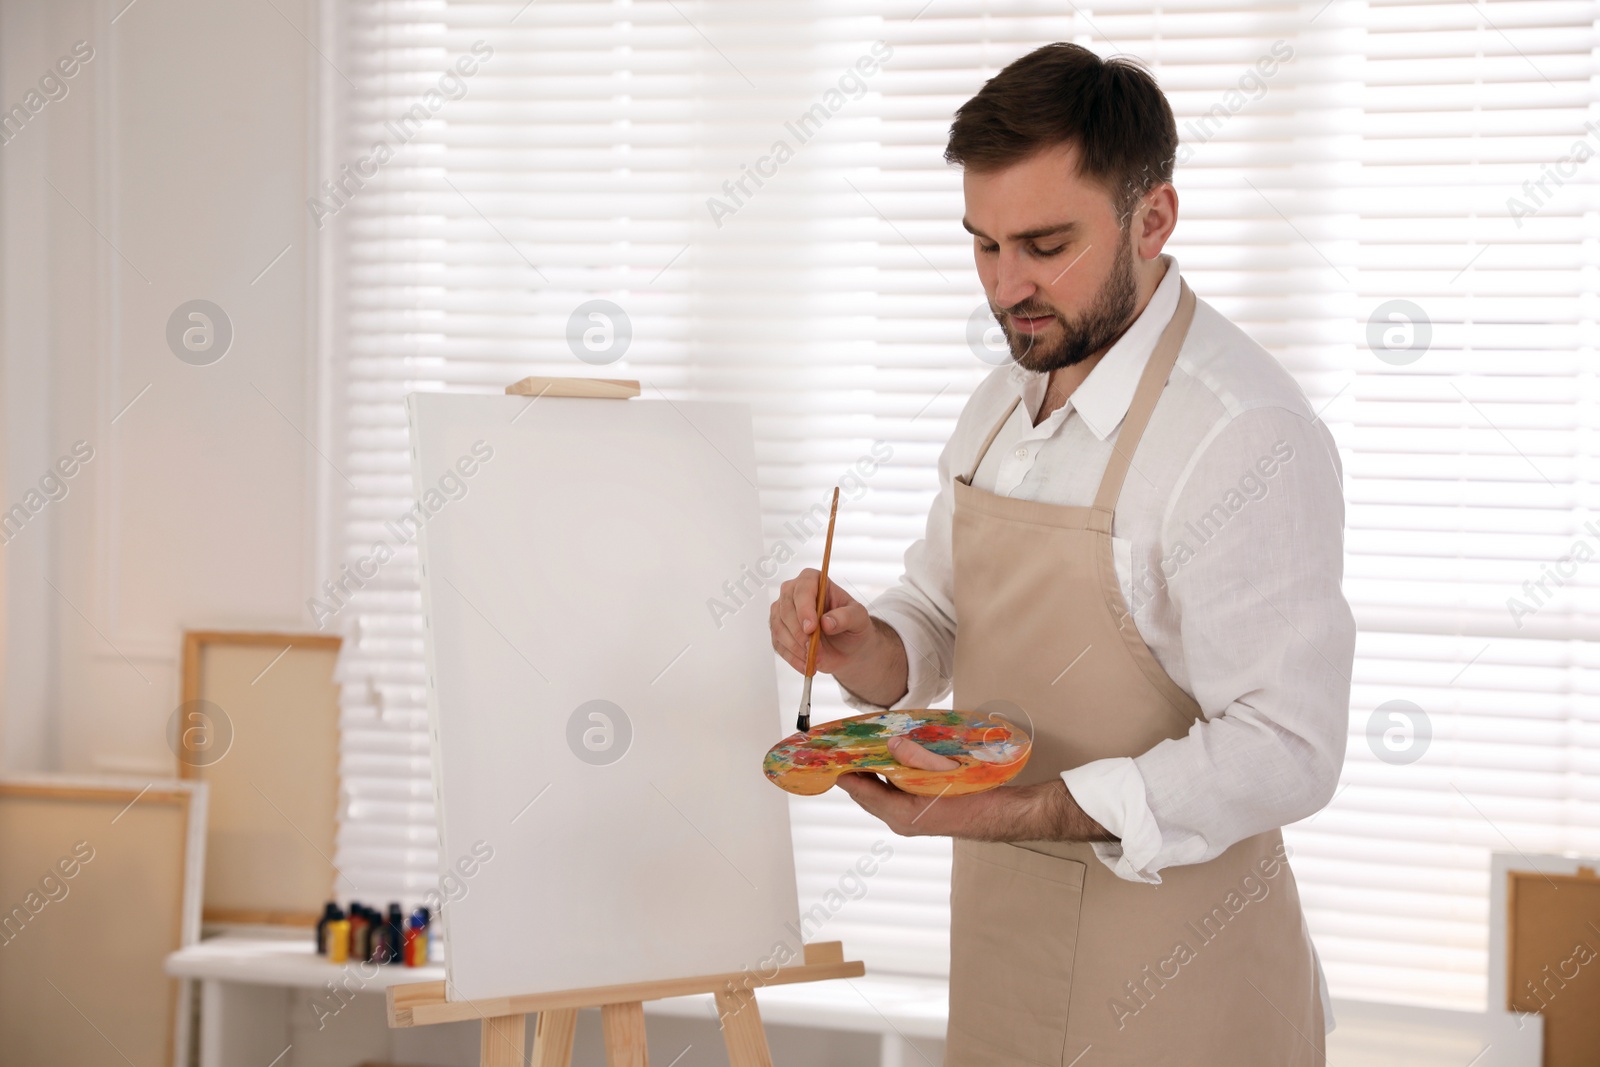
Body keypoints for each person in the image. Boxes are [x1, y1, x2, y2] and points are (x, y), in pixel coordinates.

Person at [768, 42, 1354, 1066]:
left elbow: (1287, 745)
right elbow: (941, 618)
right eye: (984, 245)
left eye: (1044, 244)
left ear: (1152, 218)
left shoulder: (1242, 434)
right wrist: (863, 645)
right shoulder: (1002, 402)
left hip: (1183, 985)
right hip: (1005, 957)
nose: (1007, 287)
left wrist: (1026, 808)